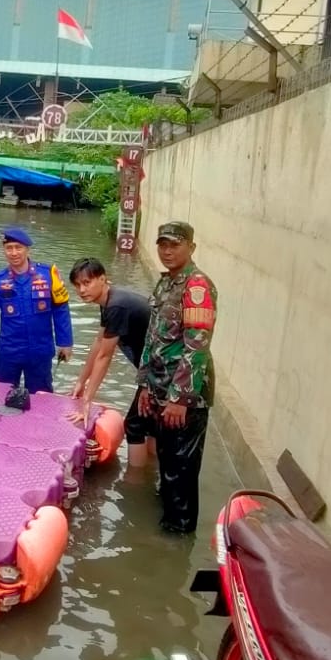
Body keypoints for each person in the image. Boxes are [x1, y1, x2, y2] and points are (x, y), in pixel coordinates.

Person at [136, 221, 218, 535]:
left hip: (185, 397)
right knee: (168, 464)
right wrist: (144, 385)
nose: (167, 251)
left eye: (175, 245)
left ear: (191, 248)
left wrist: (179, 399)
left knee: (181, 471)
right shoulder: (166, 283)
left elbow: (197, 345)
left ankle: (178, 536)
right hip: (160, 388)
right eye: (163, 245)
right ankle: (167, 524)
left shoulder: (196, 287)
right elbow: (153, 338)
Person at [63, 258, 154, 461]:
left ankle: (135, 482)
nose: (82, 290)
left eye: (87, 283)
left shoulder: (116, 306)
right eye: (77, 285)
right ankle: (150, 471)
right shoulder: (108, 301)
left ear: (103, 279)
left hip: (162, 372)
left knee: (135, 426)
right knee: (151, 425)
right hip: (154, 371)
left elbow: (105, 355)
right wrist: (81, 382)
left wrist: (87, 400)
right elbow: (98, 342)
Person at [0, 228, 74, 394]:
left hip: (40, 350)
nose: (14, 253)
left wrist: (65, 342)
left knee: (42, 399)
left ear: (27, 249)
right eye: (9, 248)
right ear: (3, 250)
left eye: (18, 247)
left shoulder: (48, 275)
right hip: (9, 351)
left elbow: (61, 308)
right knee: (1, 397)